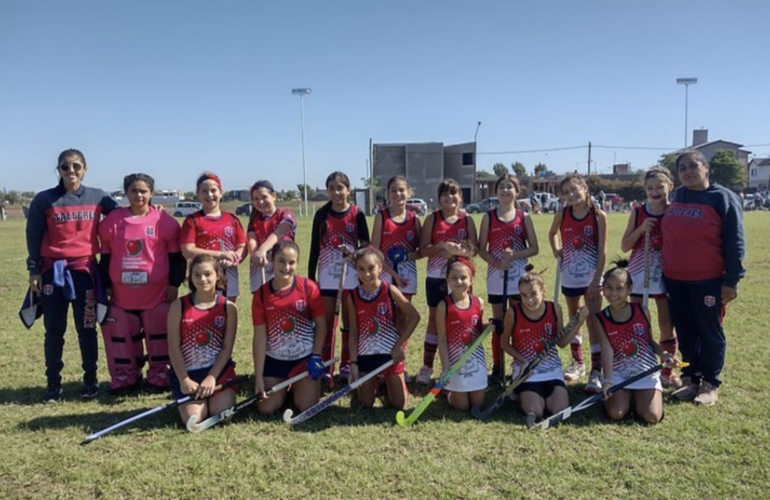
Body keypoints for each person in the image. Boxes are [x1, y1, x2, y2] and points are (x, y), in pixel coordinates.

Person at [26, 148, 118, 403]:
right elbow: (32, 235)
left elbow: (122, 216)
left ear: (85, 169)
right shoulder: (44, 200)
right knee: (54, 330)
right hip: (52, 273)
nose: (71, 171)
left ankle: (90, 380)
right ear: (59, 170)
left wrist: (150, 211)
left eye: (76, 166)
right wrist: (34, 270)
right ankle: (53, 384)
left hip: (85, 272)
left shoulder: (98, 197)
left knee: (87, 328)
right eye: (65, 167)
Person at [662, 150, 745, 406]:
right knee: (686, 331)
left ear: (706, 167)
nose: (687, 171)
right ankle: (690, 379)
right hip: (675, 279)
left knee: (709, 331)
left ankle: (710, 383)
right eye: (682, 168)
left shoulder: (722, 198)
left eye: (693, 166)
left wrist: (732, 280)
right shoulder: (677, 196)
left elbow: (735, 241)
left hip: (707, 280)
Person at [98, 173, 186, 394]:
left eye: (143, 191)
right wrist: (106, 285)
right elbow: (106, 258)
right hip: (121, 295)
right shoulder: (112, 221)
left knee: (159, 332)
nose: (139, 195)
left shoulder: (164, 222)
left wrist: (174, 284)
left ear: (151, 193)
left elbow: (176, 258)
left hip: (157, 294)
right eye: (134, 190)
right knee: (121, 333)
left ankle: (160, 374)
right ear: (126, 192)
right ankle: (125, 375)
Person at [502, 265, 587, 428]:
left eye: (533, 294)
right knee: (536, 411)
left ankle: (541, 396)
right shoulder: (513, 313)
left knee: (559, 410)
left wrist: (579, 322)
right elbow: (505, 343)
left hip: (551, 369)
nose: (529, 300)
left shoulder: (555, 309)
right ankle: (520, 393)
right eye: (524, 295)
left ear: (543, 290)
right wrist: (522, 360)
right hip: (526, 371)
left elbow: (561, 342)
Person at [620, 167, 680, 388]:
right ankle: (636, 365)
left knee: (666, 325)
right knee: (636, 323)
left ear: (670, 187)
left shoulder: (675, 211)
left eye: (660, 187)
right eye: (650, 188)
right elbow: (625, 246)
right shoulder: (638, 212)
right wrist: (641, 229)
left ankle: (666, 371)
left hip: (665, 274)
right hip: (638, 273)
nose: (655, 192)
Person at [596, 260, 676, 424]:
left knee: (652, 416)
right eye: (609, 288)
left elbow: (649, 342)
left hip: (645, 372)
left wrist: (664, 354)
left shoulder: (642, 311)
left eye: (619, 288)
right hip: (619, 375)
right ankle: (625, 399)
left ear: (629, 289)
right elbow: (607, 350)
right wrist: (608, 380)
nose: (613, 293)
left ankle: (638, 399)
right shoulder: (601, 318)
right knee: (616, 413)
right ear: (602, 289)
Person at [548, 173, 607, 393]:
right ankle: (578, 362)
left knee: (593, 320)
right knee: (575, 321)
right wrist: (557, 250)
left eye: (574, 189)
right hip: (569, 276)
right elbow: (552, 233)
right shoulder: (562, 213)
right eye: (565, 193)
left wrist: (596, 280)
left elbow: (602, 251)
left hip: (591, 277)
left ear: (585, 188)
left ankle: (597, 369)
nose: (571, 195)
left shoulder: (598, 215)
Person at [308, 171, 370, 382]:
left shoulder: (357, 214)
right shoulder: (321, 215)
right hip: (327, 276)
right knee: (326, 322)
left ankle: (346, 364)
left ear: (348, 190)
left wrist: (353, 252)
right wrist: (311, 278)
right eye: (332, 188)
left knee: (349, 321)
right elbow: (314, 249)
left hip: (351, 276)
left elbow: (366, 246)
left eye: (340, 187)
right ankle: (326, 365)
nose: (336, 192)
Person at [252, 241, 326, 414]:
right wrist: (258, 377)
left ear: (297, 263)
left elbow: (321, 324)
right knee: (266, 408)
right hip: (275, 360)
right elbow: (260, 336)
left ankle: (299, 387)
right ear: (272, 260)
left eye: (291, 262)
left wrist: (315, 355)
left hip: (303, 359)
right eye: (281, 261)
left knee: (306, 407)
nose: (286, 267)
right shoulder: (261, 295)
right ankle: (283, 388)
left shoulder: (308, 288)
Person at [478, 174, 539, 385]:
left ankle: (517, 364)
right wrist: (496, 262)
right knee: (499, 323)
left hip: (518, 279)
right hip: (496, 277)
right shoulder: (489, 217)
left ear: (517, 192)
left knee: (516, 321)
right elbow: (481, 249)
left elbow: (534, 248)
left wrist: (515, 255)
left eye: (509, 187)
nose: (505, 191)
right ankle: (498, 365)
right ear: (496, 192)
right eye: (501, 187)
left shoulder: (524, 217)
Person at [417, 179, 478, 385]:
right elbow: (423, 249)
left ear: (460, 196)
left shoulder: (467, 220)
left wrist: (460, 251)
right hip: (436, 276)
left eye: (453, 193)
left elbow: (474, 250)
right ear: (439, 198)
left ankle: (466, 363)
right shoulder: (432, 219)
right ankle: (427, 366)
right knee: (434, 321)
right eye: (444, 194)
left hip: (461, 278)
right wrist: (441, 246)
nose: (449, 197)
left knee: (461, 320)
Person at [167, 254, 238, 425]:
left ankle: (214, 396)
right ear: (190, 277)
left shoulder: (228, 308)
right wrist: (184, 379)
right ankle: (186, 397)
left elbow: (227, 349)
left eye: (208, 274)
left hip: (218, 373)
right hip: (188, 374)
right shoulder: (179, 306)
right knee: (195, 419)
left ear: (217, 275)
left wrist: (212, 377)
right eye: (196, 274)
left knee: (223, 415)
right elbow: (173, 347)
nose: (202, 279)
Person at [347, 247, 420, 409]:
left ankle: (387, 382)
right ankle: (377, 381)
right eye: (361, 269)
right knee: (365, 404)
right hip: (366, 355)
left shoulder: (389, 290)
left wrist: (399, 345)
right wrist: (353, 363)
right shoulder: (352, 296)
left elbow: (415, 316)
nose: (366, 274)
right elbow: (353, 332)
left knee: (398, 404)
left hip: (390, 354)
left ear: (381, 267)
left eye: (371, 268)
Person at [180, 172, 246, 301]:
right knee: (201, 311)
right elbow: (188, 250)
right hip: (201, 276)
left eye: (213, 190)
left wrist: (233, 259)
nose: (209, 195)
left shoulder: (232, 219)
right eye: (204, 191)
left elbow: (242, 246)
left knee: (227, 313)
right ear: (198, 194)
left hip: (229, 275)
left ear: (221, 192)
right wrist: (221, 254)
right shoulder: (192, 220)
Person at [437, 257, 487, 412]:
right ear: (447, 280)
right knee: (462, 406)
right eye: (454, 278)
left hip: (475, 361)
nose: (459, 282)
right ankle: (448, 392)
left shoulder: (478, 302)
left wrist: (490, 326)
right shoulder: (444, 306)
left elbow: (481, 328)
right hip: (455, 363)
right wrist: (445, 368)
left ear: (471, 280)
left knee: (478, 404)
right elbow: (443, 340)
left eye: (463, 277)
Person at [246, 180, 296, 293]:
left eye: (264, 197)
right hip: (260, 265)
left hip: (282, 264)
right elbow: (251, 240)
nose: (261, 201)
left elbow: (279, 232)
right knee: (261, 301)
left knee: (281, 297)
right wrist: (256, 254)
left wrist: (263, 249)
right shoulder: (254, 220)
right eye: (256, 199)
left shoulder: (285, 214)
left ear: (274, 196)